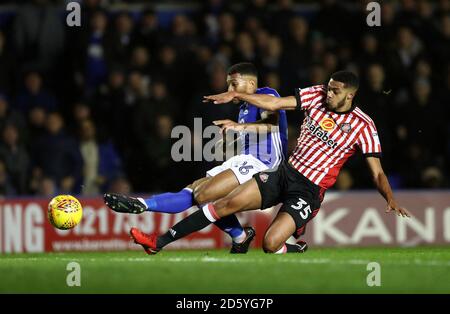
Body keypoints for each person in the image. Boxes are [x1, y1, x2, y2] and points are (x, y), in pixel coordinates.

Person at [129, 70, 411, 255]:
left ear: (350, 95)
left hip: (309, 190)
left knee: (270, 244)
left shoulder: (364, 125)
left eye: (335, 92)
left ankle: (291, 244)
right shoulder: (315, 95)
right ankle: (159, 242)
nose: (327, 94)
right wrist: (238, 94)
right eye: (328, 88)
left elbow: (377, 172)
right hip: (283, 172)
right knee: (224, 203)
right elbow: (275, 104)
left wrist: (389, 197)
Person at [104, 62, 289, 253]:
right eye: (228, 85)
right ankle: (142, 204)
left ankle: (162, 241)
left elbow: (271, 124)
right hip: (245, 159)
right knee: (195, 191)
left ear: (251, 84)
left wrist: (237, 127)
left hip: (266, 163)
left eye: (234, 84)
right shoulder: (243, 108)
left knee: (203, 194)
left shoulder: (267, 93)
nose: (229, 90)